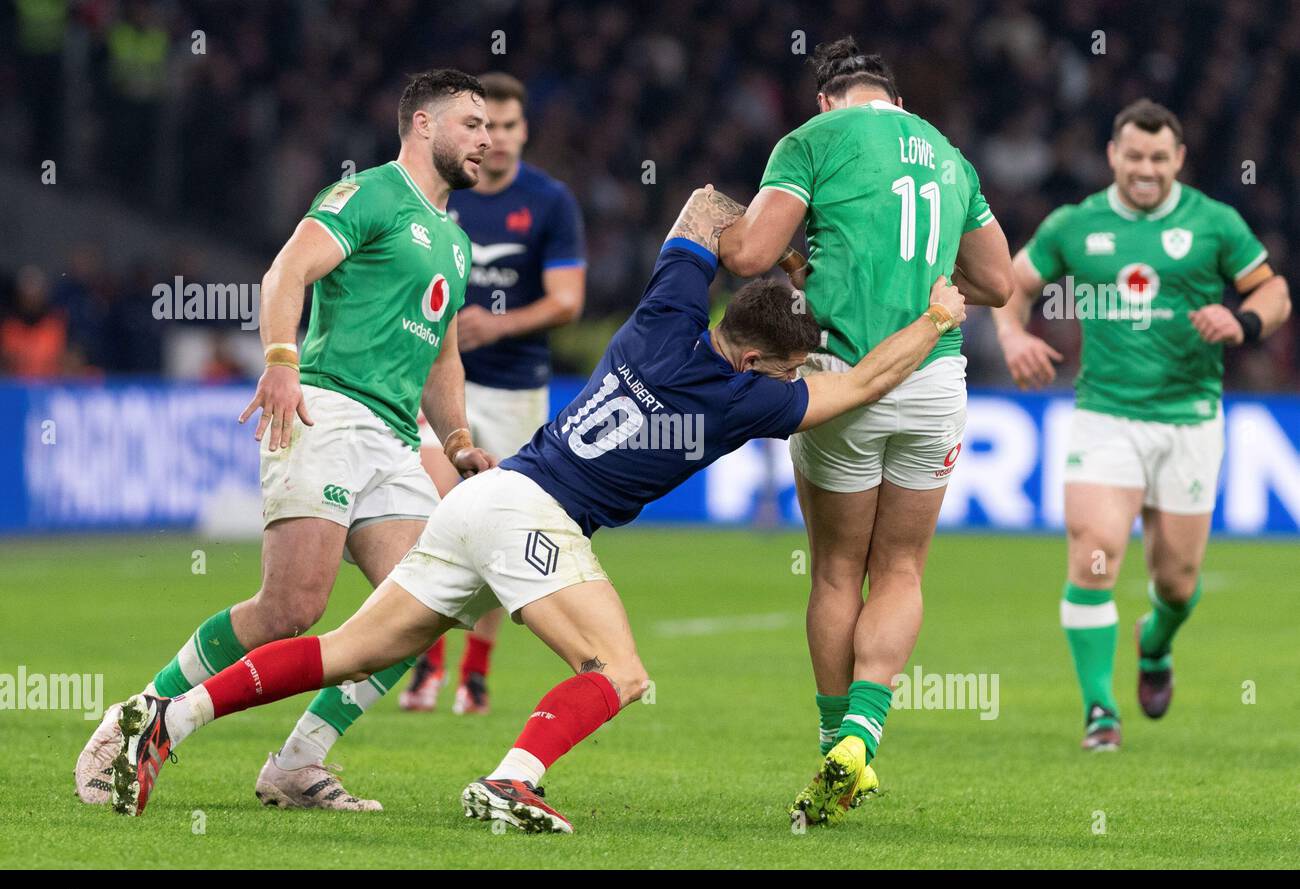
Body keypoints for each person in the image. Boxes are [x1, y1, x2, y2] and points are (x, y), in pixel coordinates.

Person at [108, 184, 968, 833]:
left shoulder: (667, 310)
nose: (792, 383)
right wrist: (935, 320)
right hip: (532, 519)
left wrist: (764, 256)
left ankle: (168, 717)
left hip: (486, 498)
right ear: (751, 358)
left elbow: (703, 205)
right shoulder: (740, 399)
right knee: (621, 671)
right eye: (786, 368)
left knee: (342, 650)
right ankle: (512, 779)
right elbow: (858, 386)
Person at [75, 69, 494, 812]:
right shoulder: (368, 194)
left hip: (398, 438)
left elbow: (443, 356)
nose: (486, 139)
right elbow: (287, 270)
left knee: (424, 607)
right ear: (422, 125)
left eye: (489, 127)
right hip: (327, 412)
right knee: (291, 607)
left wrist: (458, 440)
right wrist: (279, 361)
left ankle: (298, 763)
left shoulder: (457, 243)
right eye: (471, 123)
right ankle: (134, 720)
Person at [717, 37, 1012, 823]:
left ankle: (829, 742)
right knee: (905, 568)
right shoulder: (949, 154)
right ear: (894, 95)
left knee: (838, 570)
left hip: (843, 381)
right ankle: (864, 733)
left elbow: (749, 251)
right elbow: (999, 282)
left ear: (826, 100)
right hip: (934, 374)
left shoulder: (811, 141)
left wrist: (738, 235)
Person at [991, 99, 1291, 750]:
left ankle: (1153, 645)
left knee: (1176, 584)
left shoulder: (1215, 223)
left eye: (1159, 157)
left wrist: (1240, 321)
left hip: (1189, 421)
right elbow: (1008, 282)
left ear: (1178, 159)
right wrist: (1013, 337)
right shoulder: (1076, 224)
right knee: (1094, 555)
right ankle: (1101, 710)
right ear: (1113, 156)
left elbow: (1274, 293)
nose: (1146, 169)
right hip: (1106, 416)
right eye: (1134, 156)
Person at [401, 71, 587, 716]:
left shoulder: (549, 201)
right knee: (431, 521)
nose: (495, 139)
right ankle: (424, 666)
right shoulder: (448, 190)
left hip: (516, 391)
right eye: (483, 126)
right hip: (440, 381)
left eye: (506, 127)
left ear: (524, 130)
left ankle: (474, 675)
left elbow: (568, 302)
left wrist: (497, 323)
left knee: (491, 532)